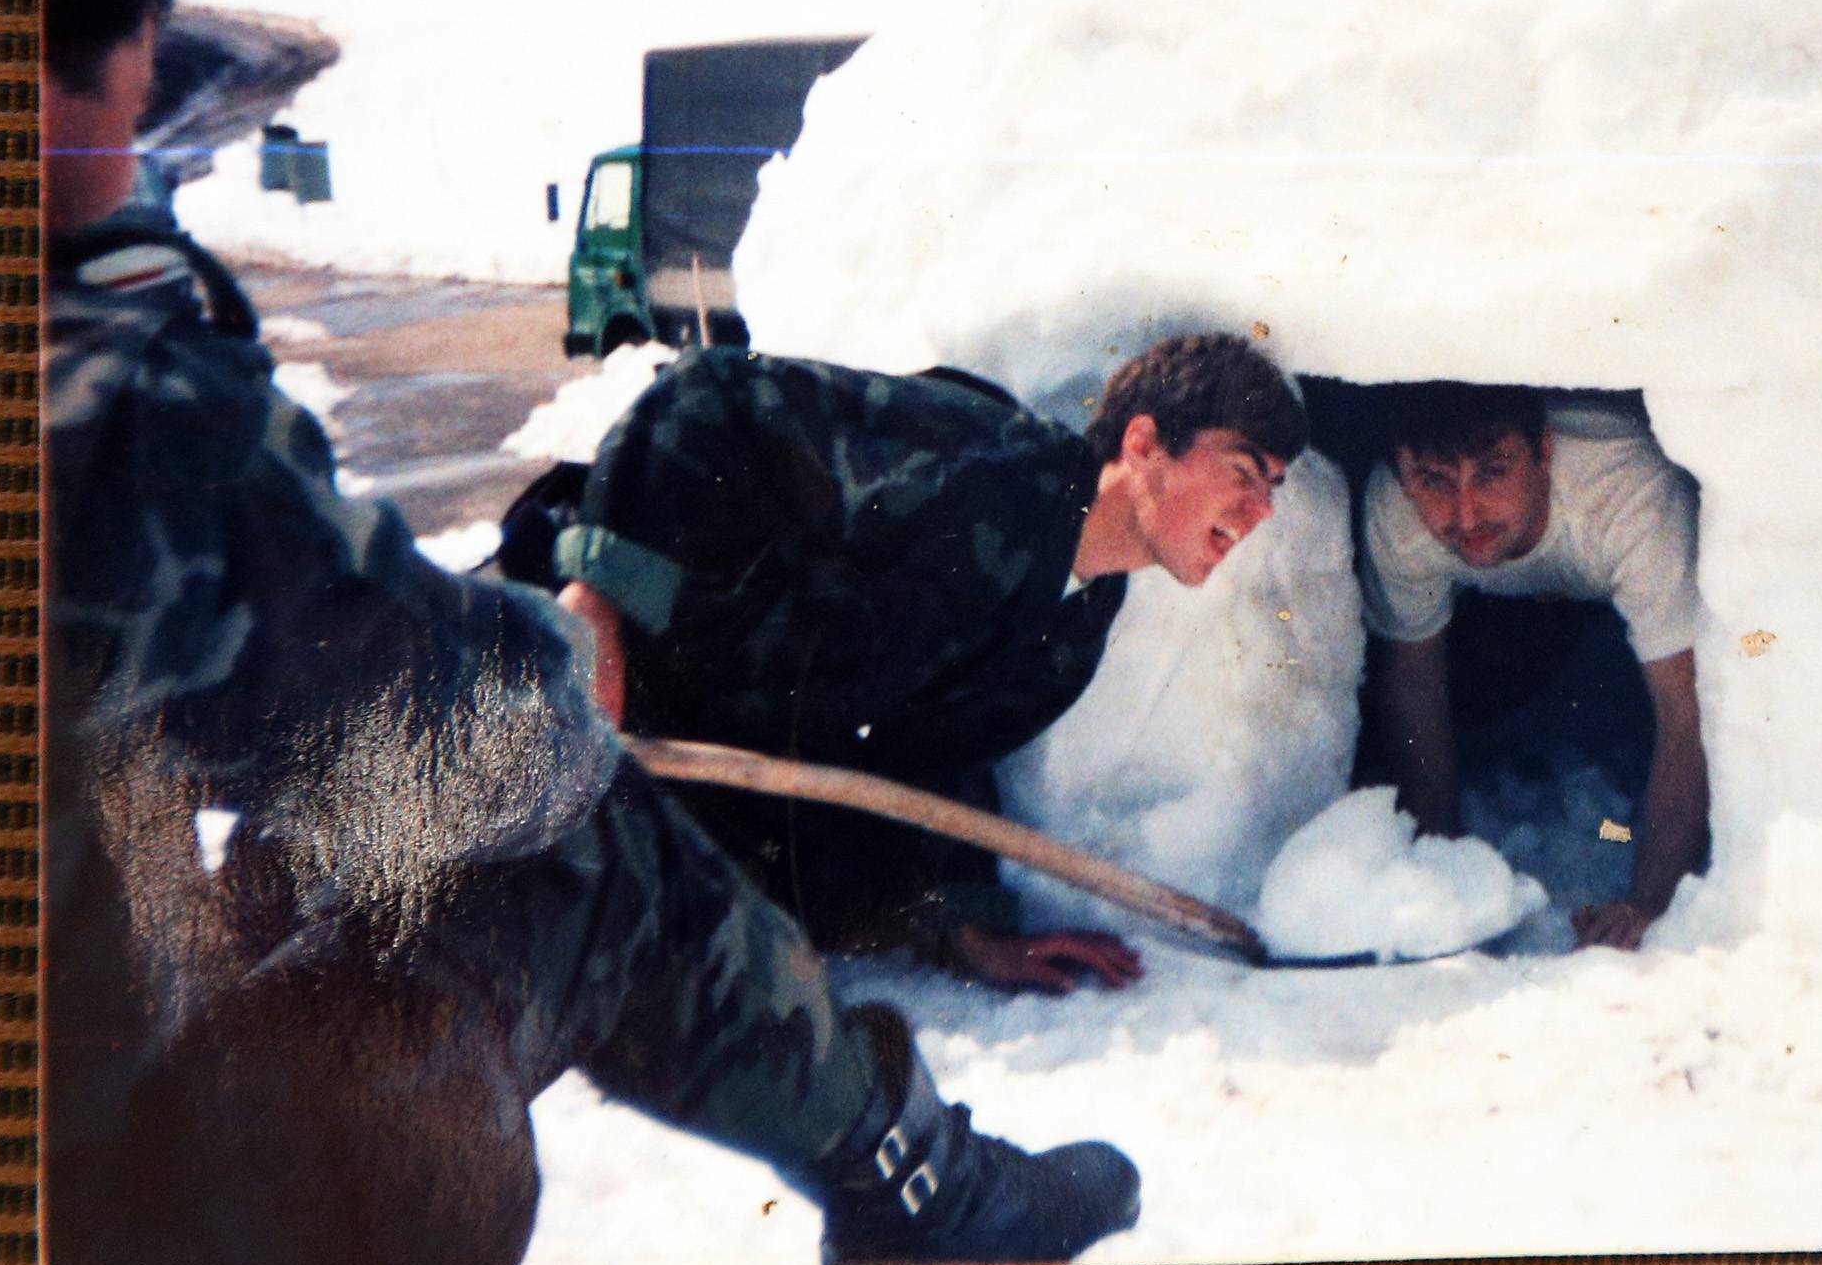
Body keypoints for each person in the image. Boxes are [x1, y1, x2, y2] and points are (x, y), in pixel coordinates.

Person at [41, 0, 1140, 1265]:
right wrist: (584, 631)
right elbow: (436, 695)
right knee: (579, 842)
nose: (132, 191)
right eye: (122, 129)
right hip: (101, 1198)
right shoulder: (111, 414)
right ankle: (916, 1182)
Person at [553, 332, 1308, 992]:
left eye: (1271, 488)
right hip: (573, 682)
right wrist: (601, 599)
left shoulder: (1075, 630)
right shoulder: (982, 457)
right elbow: (711, 389)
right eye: (1243, 471)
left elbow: (921, 758)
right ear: (1143, 444)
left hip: (678, 786)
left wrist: (965, 926)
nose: (1263, 510)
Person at [1358, 382, 1711, 951]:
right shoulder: (1395, 507)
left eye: (1492, 472)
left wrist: (1650, 905)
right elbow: (1413, 689)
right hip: (1504, 625)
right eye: (1434, 481)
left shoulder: (1627, 492)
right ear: (1403, 470)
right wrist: (1443, 875)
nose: (1465, 511)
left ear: (1543, 451)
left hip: (1595, 619)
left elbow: (1685, 706)